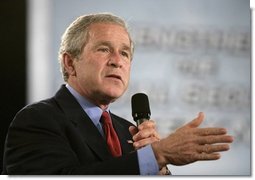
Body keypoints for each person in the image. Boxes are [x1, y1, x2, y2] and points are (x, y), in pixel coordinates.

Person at [2, 13, 233, 175]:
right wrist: (156, 156)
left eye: (124, 53)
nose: (117, 61)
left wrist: (159, 169)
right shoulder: (37, 120)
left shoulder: (127, 132)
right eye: (104, 49)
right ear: (70, 62)